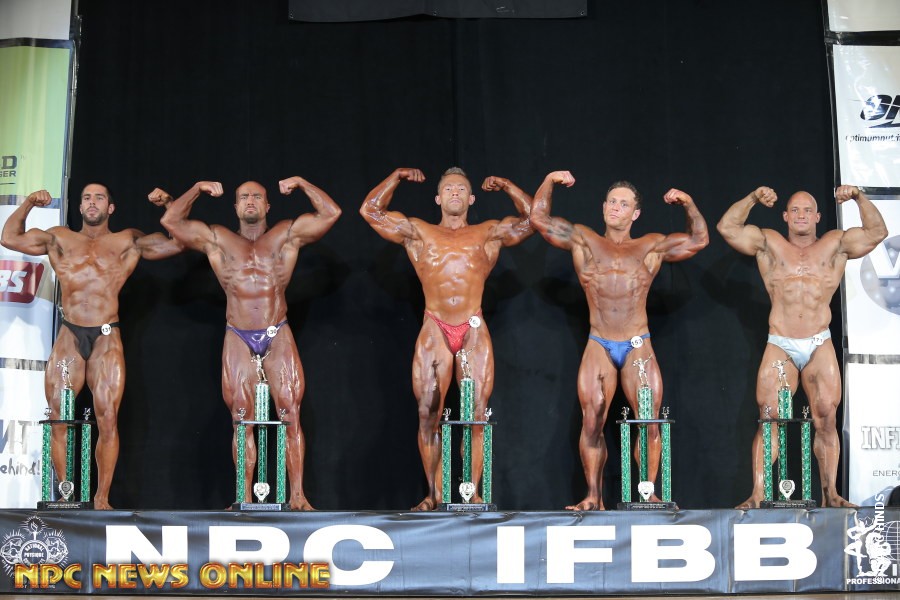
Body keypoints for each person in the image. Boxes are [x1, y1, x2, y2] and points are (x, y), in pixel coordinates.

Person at [159, 177, 341, 510]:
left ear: (268, 205)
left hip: (277, 331)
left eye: (257, 196)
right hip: (238, 335)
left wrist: (302, 184)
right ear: (235, 206)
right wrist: (197, 189)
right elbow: (171, 222)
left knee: (290, 413)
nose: (251, 201)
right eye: (244, 197)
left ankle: (298, 497)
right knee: (241, 418)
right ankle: (243, 497)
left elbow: (331, 213)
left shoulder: (286, 234)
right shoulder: (218, 238)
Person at [531, 171, 709, 510]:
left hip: (637, 343)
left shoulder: (650, 245)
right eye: (612, 201)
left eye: (624, 204)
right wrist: (550, 180)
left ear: (635, 213)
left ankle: (648, 493)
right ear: (603, 207)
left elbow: (699, 239)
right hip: (599, 342)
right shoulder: (584, 239)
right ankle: (593, 496)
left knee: (650, 421)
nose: (616, 207)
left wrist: (688, 203)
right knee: (592, 421)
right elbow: (539, 219)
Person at [0, 184, 184, 509]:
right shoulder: (59, 238)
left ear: (110, 208)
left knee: (108, 417)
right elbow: (9, 237)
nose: (92, 202)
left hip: (106, 335)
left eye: (99, 197)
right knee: (59, 416)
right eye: (87, 197)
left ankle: (102, 499)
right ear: (81, 207)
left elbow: (179, 241)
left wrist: (169, 203)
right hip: (70, 334)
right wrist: (28, 203)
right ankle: (66, 495)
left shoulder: (127, 240)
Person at [360, 167, 533, 511]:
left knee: (477, 414)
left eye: (461, 189)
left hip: (473, 326)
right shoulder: (419, 231)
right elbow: (370, 211)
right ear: (438, 198)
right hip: (435, 326)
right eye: (449, 189)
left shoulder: (487, 232)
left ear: (472, 198)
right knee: (428, 413)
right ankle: (434, 494)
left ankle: (473, 494)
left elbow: (533, 219)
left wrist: (509, 184)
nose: (455, 192)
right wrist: (395, 177)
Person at [717, 184, 886, 508]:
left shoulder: (835, 244)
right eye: (794, 210)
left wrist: (858, 197)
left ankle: (830, 495)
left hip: (818, 342)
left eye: (808, 210)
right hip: (781, 342)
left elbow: (877, 232)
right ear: (785, 216)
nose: (801, 215)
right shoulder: (770, 242)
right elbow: (728, 227)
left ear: (818, 216)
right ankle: (758, 494)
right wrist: (752, 198)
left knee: (826, 418)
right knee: (769, 418)